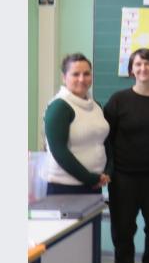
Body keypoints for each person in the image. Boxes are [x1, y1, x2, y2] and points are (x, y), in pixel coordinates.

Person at [103, 48, 149, 263]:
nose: (143, 68)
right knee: (122, 229)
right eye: (138, 64)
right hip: (123, 177)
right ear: (131, 69)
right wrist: (108, 171)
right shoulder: (118, 100)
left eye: (148, 64)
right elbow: (106, 139)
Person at [43, 53, 111, 195]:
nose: (82, 79)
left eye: (86, 74)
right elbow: (59, 151)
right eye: (75, 74)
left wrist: (107, 172)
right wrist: (90, 178)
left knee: (93, 218)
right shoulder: (59, 107)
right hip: (64, 188)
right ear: (64, 77)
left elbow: (104, 142)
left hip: (94, 185)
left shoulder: (96, 106)